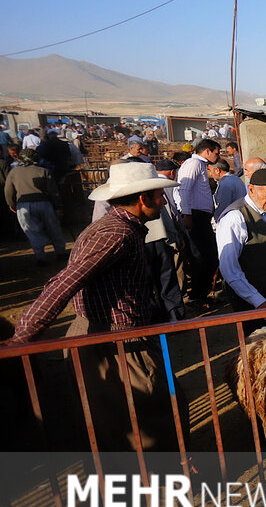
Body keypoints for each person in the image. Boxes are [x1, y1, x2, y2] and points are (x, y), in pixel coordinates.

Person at [9, 161, 184, 452]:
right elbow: (64, 283)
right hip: (116, 340)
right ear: (143, 199)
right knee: (150, 414)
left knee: (117, 420)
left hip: (111, 334)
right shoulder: (115, 234)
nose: (163, 200)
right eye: (159, 195)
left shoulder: (116, 229)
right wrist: (23, 337)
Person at [216, 168, 266, 313]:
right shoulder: (234, 218)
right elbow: (229, 269)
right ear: (251, 190)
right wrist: (257, 300)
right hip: (249, 298)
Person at [173, 138, 221, 304]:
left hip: (200, 215)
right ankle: (198, 295)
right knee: (201, 256)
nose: (218, 156)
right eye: (216, 152)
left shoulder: (199, 165)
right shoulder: (193, 164)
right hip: (195, 216)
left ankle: (201, 294)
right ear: (207, 151)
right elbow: (184, 189)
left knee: (206, 256)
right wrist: (187, 215)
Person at [5, 148, 65, 267]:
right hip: (44, 203)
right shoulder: (44, 171)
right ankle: (61, 253)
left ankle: (41, 257)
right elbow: (53, 191)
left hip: (23, 205)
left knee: (33, 232)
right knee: (53, 228)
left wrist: (11, 204)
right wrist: (58, 207)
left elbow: (8, 191)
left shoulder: (14, 172)